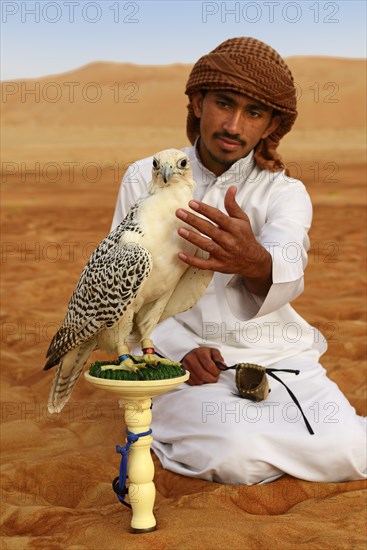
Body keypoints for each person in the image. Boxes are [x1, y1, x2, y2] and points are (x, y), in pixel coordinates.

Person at [111, 37, 366, 485]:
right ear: (196, 102)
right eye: (224, 104)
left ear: (271, 125)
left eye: (253, 113)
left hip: (277, 352)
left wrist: (254, 262)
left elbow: (288, 262)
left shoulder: (285, 193)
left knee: (348, 449)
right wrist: (177, 349)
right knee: (235, 456)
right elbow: (126, 288)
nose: (233, 124)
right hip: (178, 360)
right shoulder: (148, 176)